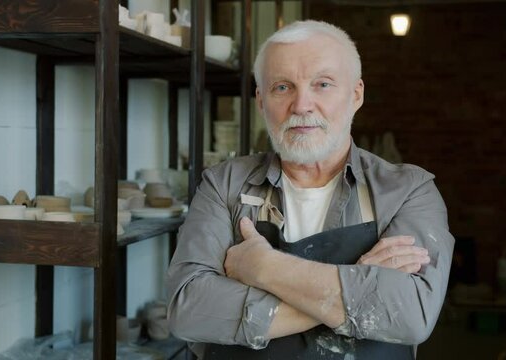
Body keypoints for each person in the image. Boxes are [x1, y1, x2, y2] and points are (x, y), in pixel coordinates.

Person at [166, 20, 454, 360]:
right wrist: (360, 280)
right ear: (261, 100)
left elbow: (410, 315)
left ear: (356, 94)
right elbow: (189, 311)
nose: (302, 105)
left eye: (322, 84)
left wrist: (263, 268)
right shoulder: (223, 184)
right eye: (283, 88)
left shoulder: (408, 191)